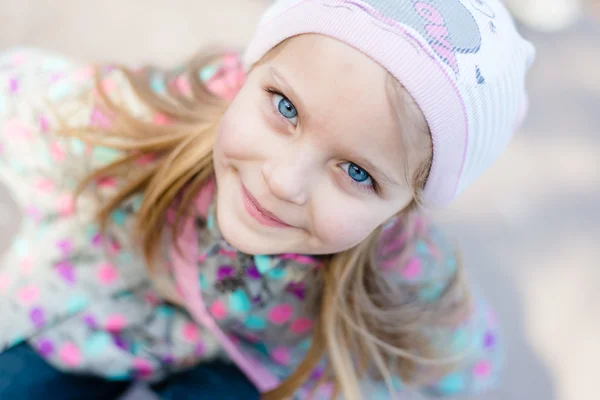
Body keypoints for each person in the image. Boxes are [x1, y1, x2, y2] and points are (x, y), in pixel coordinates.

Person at [0, 0, 535, 398]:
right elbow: (29, 99)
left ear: (404, 207)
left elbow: (464, 357)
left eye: (356, 171)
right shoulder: (161, 118)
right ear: (251, 71)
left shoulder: (403, 269)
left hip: (247, 369)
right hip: (105, 307)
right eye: (284, 108)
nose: (284, 182)